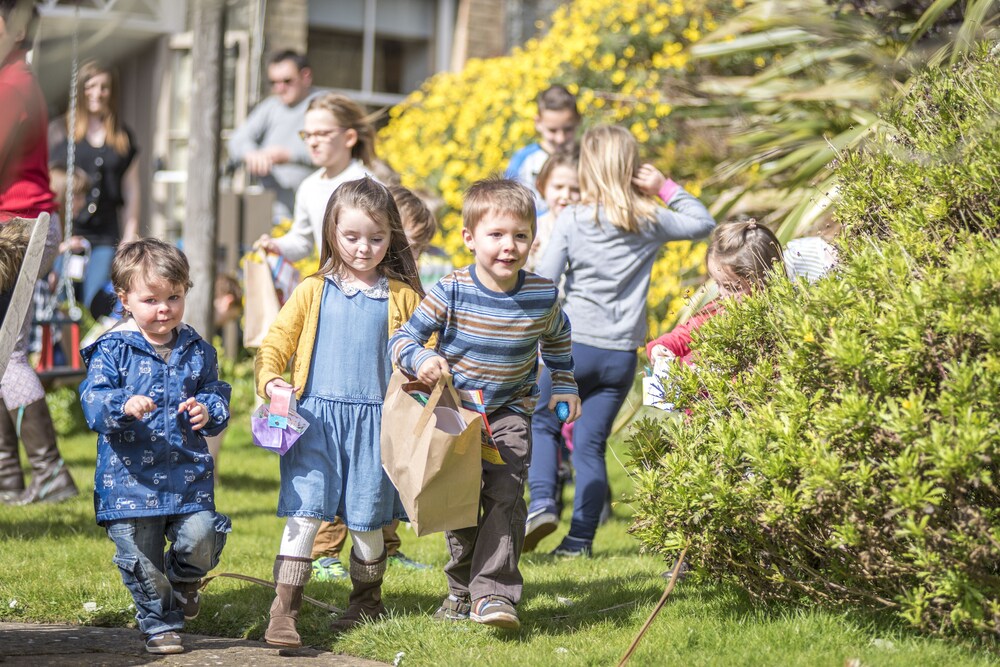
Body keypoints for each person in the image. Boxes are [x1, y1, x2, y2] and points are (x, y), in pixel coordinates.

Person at [390, 176, 581, 631]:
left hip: (511, 411)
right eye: (496, 235)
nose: (508, 246)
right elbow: (403, 339)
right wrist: (424, 357)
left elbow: (557, 340)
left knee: (507, 498)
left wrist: (565, 383)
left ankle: (494, 594)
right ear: (470, 238)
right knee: (461, 503)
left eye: (520, 236)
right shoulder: (451, 289)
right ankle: (461, 588)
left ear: (533, 240)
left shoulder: (541, 294)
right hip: (458, 415)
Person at [525, 125, 716, 557]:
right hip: (619, 357)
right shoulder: (648, 218)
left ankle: (541, 503)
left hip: (573, 352)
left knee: (545, 423)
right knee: (590, 445)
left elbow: (547, 282)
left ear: (588, 167)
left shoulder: (575, 218)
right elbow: (704, 223)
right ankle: (578, 543)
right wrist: (664, 186)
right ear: (632, 169)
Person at [254, 177, 424, 646]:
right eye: (351, 237)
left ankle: (366, 602)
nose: (363, 248)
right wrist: (270, 379)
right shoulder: (313, 290)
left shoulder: (402, 296)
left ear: (391, 237)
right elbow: (275, 343)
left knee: (369, 523)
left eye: (376, 238)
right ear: (331, 231)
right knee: (305, 515)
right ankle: (284, 611)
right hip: (315, 424)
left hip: (376, 426)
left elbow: (423, 349)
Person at [78, 238, 232, 656]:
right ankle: (159, 622)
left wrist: (209, 408)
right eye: (151, 299)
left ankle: (185, 580)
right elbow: (92, 401)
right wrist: (122, 403)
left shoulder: (197, 350)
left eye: (174, 297)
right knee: (142, 563)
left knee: (200, 534)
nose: (164, 309)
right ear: (125, 299)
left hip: (186, 473)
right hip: (129, 482)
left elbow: (215, 390)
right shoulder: (111, 349)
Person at [307, 184, 436, 582]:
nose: (409, 254)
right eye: (409, 244)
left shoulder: (403, 293)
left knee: (382, 483)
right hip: (333, 403)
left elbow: (423, 338)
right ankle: (323, 554)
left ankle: (385, 553)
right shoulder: (322, 288)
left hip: (383, 405)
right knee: (331, 484)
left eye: (418, 248)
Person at [0, 0, 77, 505]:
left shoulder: (11, 85)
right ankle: (8, 477)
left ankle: (49, 473)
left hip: (16, 228)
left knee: (8, 352)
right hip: (20, 224)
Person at [50, 61, 140, 318]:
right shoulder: (65, 133)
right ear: (80, 90)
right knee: (60, 297)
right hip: (70, 232)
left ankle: (91, 354)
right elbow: (53, 184)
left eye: (104, 87)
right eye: (90, 86)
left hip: (104, 235)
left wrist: (130, 235)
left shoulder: (122, 137)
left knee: (96, 301)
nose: (97, 93)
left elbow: (132, 189)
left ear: (112, 92)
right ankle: (60, 355)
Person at [255, 93, 375, 262]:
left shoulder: (369, 185)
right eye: (308, 135)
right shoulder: (309, 186)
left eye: (322, 134)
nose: (312, 142)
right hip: (329, 285)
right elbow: (301, 241)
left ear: (349, 138)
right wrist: (276, 246)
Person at [647, 220, 785, 366]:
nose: (722, 294)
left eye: (732, 288)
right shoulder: (717, 311)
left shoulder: (774, 329)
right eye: (717, 284)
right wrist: (660, 347)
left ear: (764, 284)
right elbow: (682, 336)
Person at [228, 50, 323, 224]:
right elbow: (237, 140)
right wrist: (251, 154)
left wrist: (288, 155)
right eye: (274, 83)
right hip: (272, 214)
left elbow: (335, 150)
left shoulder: (323, 105)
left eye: (287, 81)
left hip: (316, 213)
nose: (280, 88)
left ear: (306, 76)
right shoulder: (271, 107)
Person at [505, 85, 580, 215]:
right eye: (552, 130)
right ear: (538, 122)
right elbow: (506, 202)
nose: (560, 138)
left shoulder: (586, 158)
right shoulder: (524, 159)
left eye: (568, 129)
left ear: (578, 121)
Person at [525, 146, 580, 273]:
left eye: (575, 189)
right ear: (541, 186)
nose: (566, 196)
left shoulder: (589, 229)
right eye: (558, 187)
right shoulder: (532, 229)